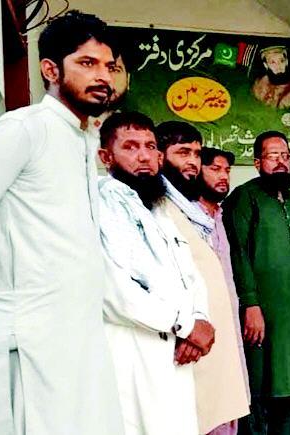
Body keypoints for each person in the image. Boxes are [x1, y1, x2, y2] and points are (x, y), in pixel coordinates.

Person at [0, 11, 124, 434]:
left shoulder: (84, 140)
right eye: (87, 63)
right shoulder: (23, 130)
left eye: (109, 66)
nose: (103, 76)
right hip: (29, 345)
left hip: (80, 339)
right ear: (50, 70)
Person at [97, 111, 212, 435]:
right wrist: (186, 324)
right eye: (130, 147)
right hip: (134, 353)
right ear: (105, 157)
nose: (144, 156)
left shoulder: (158, 207)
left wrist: (199, 317)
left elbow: (190, 275)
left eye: (150, 146)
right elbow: (114, 292)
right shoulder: (102, 204)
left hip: (176, 351)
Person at [157, 121, 250, 434]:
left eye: (196, 154)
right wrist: (186, 326)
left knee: (223, 412)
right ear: (160, 156)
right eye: (183, 152)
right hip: (189, 338)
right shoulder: (156, 208)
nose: (192, 162)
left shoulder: (195, 213)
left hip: (217, 337)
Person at [222, 131, 290, 435]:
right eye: (273, 156)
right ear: (258, 162)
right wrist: (250, 304)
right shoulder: (244, 198)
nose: (281, 162)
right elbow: (238, 253)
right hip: (261, 314)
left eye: (285, 156)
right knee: (259, 385)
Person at [196, 147, 250, 416]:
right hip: (202, 324)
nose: (223, 176)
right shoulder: (189, 216)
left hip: (228, 318)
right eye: (215, 169)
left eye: (227, 171)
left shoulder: (219, 215)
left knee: (231, 399)